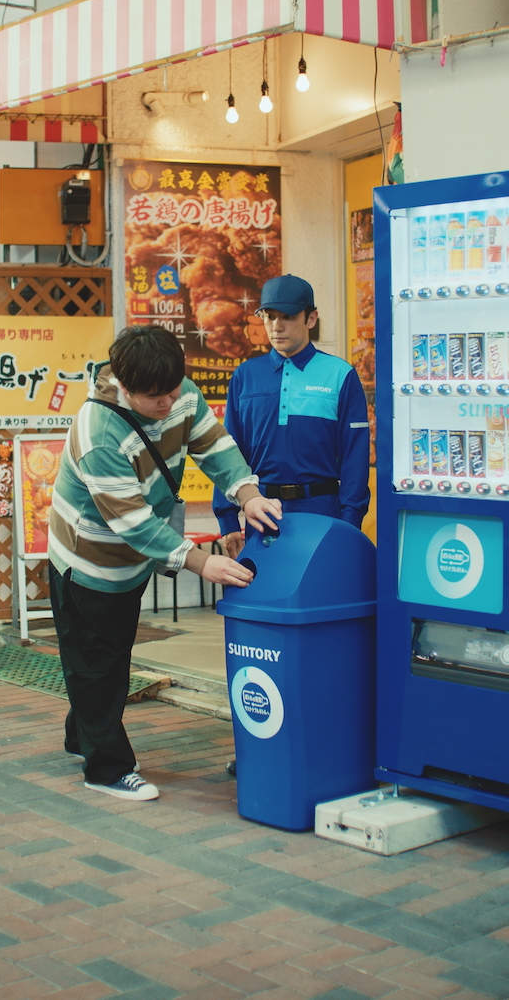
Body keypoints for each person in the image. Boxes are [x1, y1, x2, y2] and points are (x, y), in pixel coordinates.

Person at [48, 325, 282, 803]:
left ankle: (84, 734)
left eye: (174, 389)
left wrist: (247, 493)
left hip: (132, 562)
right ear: (125, 384)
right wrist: (200, 562)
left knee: (109, 653)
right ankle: (107, 767)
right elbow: (132, 521)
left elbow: (214, 446)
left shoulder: (175, 389)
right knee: (95, 661)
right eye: (155, 397)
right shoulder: (98, 433)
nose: (169, 402)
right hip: (87, 560)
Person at [212, 275, 370, 776]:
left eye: (286, 316)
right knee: (260, 629)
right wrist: (226, 518)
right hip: (260, 523)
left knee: (321, 629)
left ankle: (323, 735)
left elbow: (354, 459)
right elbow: (225, 454)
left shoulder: (340, 376)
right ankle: (263, 739)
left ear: (311, 318)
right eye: (268, 316)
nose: (276, 326)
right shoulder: (246, 376)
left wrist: (347, 525)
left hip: (323, 516)